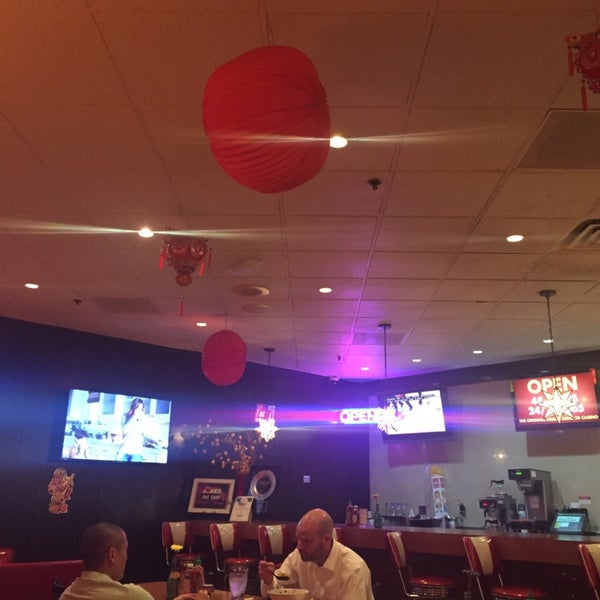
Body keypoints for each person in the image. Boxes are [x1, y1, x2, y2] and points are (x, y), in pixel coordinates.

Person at [59, 522, 197, 600]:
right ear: (112, 555)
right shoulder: (131, 596)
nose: (126, 557)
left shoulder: (67, 594)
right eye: (124, 550)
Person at [258, 508, 375, 600]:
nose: (299, 546)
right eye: (298, 539)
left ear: (326, 539)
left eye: (306, 541)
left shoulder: (353, 569)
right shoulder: (300, 556)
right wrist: (268, 580)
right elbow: (277, 588)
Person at [116, 398, 159, 462]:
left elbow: (145, 433)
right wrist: (134, 418)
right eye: (137, 408)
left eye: (140, 409)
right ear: (132, 407)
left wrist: (154, 439)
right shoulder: (125, 417)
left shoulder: (143, 419)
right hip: (123, 450)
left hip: (136, 452)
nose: (138, 411)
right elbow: (125, 431)